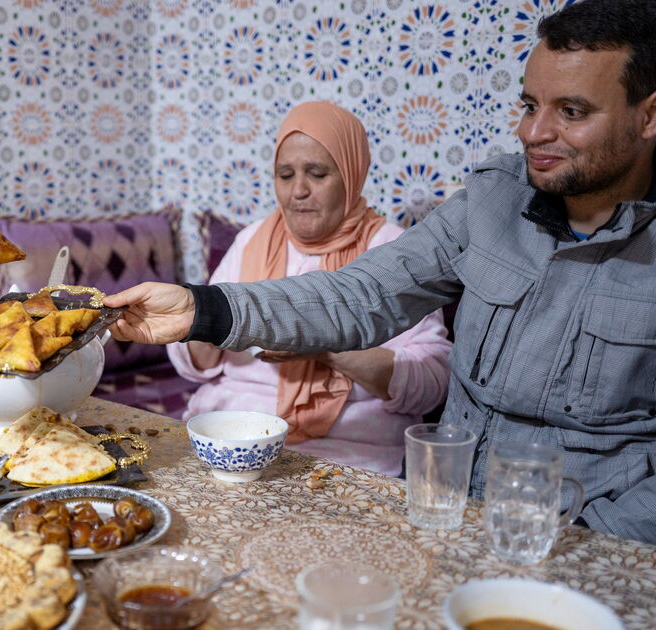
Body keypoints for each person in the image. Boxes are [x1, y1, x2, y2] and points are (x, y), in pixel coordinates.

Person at [103, 0, 656, 553]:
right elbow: (361, 295)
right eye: (529, 104)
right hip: (445, 514)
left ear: (653, 112)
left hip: (591, 533)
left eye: (572, 112)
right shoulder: (491, 200)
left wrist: (593, 538)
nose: (534, 132)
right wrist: (202, 309)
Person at [168, 101, 451, 476]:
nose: (298, 190)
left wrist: (324, 344)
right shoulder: (254, 239)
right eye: (285, 175)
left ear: (351, 175)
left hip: (346, 455)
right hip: (233, 442)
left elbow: (433, 383)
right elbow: (193, 366)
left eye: (317, 174)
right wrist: (205, 323)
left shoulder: (393, 251)